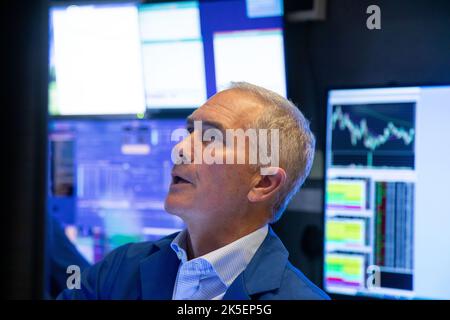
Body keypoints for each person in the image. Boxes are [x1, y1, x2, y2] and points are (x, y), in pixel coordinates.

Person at [58, 82, 330, 300]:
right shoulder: (119, 270)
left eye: (210, 138)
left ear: (262, 184)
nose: (180, 149)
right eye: (189, 132)